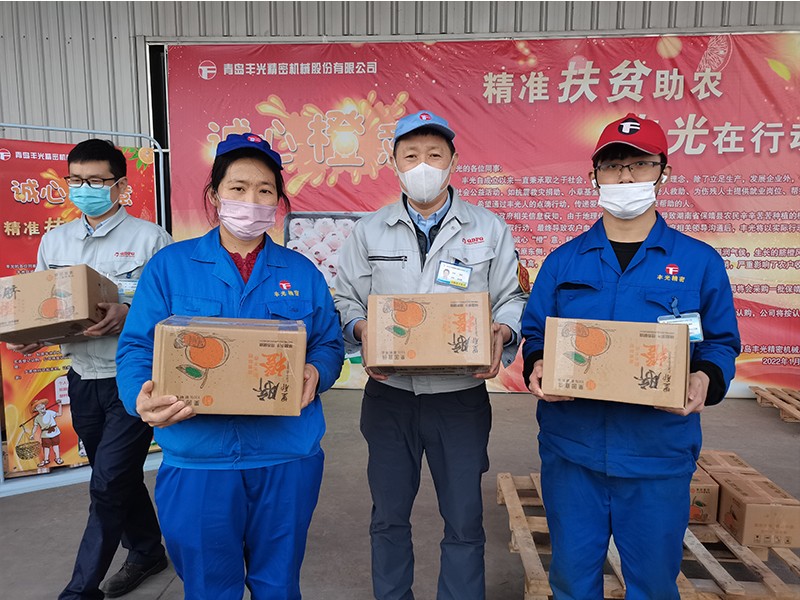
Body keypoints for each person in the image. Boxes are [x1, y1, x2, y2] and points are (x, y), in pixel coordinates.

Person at [115, 133, 345, 600]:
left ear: (278, 202)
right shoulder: (170, 267)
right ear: (215, 194)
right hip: (198, 455)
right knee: (208, 587)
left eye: (264, 190)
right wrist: (140, 395)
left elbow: (328, 343)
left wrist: (317, 371)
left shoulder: (301, 272)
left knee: (278, 585)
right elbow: (137, 346)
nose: (251, 201)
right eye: (238, 188)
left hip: (285, 454)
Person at [520, 113, 741, 599]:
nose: (625, 177)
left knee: (653, 584)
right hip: (573, 451)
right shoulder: (563, 261)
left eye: (639, 164)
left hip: (657, 453)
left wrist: (705, 377)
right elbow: (535, 332)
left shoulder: (698, 262)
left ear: (664, 172)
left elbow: (721, 342)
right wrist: (537, 363)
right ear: (594, 176)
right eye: (613, 165)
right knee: (571, 581)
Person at [333, 110, 528, 600]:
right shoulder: (370, 231)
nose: (423, 165)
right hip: (390, 396)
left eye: (435, 155)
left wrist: (503, 330)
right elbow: (344, 300)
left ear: (453, 162)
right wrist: (361, 329)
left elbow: (512, 297)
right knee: (388, 517)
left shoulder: (488, 228)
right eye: (412, 155)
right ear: (394, 164)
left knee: (463, 519)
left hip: (459, 398)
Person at [7, 139, 172, 599]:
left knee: (106, 484)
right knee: (116, 475)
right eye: (77, 180)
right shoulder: (55, 241)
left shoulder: (150, 239)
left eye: (97, 181)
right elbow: (44, 307)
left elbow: (172, 310)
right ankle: (147, 551)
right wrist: (34, 334)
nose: (86, 189)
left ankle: (81, 590)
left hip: (133, 380)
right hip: (81, 378)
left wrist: (127, 310)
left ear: (120, 185)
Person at [29, 398, 64, 467]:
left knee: (55, 445)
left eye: (42, 404)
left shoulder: (50, 412)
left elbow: (59, 414)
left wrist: (60, 405)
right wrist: (32, 434)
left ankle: (57, 458)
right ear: (36, 409)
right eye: (38, 406)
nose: (41, 407)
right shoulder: (37, 418)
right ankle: (46, 459)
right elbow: (35, 427)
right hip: (45, 434)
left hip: (54, 432)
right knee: (46, 447)